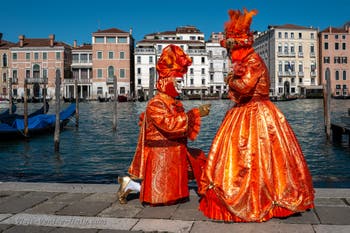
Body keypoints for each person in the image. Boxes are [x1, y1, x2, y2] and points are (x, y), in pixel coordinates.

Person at [198, 8, 315, 222]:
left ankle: (259, 198)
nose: (230, 54)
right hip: (255, 111)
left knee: (252, 155)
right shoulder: (250, 61)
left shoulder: (251, 62)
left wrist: (230, 80)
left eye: (232, 49)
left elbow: (243, 87)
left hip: (255, 112)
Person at [117, 44, 210, 206]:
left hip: (173, 150)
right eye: (178, 81)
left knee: (199, 160)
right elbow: (169, 125)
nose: (181, 85)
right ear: (167, 81)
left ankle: (130, 185)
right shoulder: (156, 103)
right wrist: (195, 114)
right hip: (162, 153)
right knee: (161, 192)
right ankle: (129, 185)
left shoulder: (172, 102)